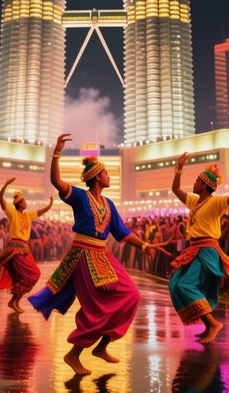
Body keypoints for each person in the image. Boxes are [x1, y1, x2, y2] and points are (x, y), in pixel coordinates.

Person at [29, 133, 153, 375]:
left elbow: (123, 233)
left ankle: (102, 346)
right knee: (97, 308)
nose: (109, 176)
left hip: (103, 256)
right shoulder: (79, 196)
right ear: (97, 176)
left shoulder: (109, 204)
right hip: (83, 255)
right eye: (106, 173)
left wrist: (146, 246)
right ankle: (73, 354)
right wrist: (57, 152)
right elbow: (56, 180)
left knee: (132, 294)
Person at [168, 153, 229, 344]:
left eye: (196, 181)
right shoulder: (193, 201)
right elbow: (175, 188)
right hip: (192, 249)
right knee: (175, 283)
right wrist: (179, 167)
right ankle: (208, 325)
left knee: (185, 285)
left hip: (206, 249)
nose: (193, 184)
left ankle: (213, 324)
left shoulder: (217, 202)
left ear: (205, 184)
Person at [0, 178, 52, 312]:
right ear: (19, 203)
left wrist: (50, 205)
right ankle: (14, 301)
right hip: (15, 249)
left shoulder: (27, 215)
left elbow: (40, 212)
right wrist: (6, 184)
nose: (26, 202)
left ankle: (14, 301)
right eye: (24, 201)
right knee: (31, 274)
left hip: (24, 249)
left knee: (31, 275)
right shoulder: (12, 213)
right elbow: (0, 197)